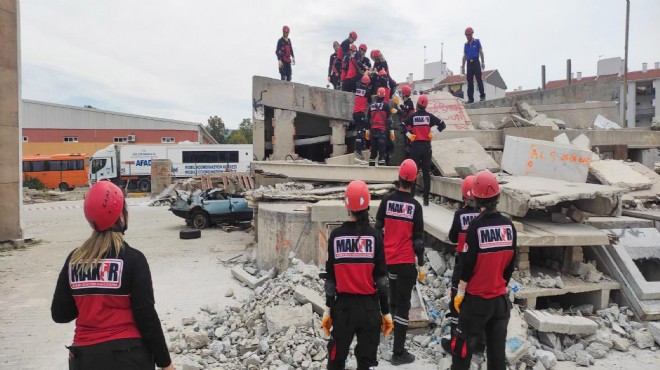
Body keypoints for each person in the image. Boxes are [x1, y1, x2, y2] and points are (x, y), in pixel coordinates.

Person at [51, 180, 174, 370]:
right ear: (121, 217)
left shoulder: (74, 260)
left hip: (84, 358)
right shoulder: (134, 259)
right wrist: (165, 364)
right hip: (129, 356)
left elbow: (60, 314)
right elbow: (146, 316)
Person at [446, 170, 516, 370]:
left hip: (476, 302)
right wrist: (498, 284)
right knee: (496, 359)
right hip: (499, 303)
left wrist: (460, 293)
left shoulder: (475, 227)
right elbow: (510, 265)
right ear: (498, 197)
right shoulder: (509, 226)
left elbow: (467, 265)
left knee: (461, 354)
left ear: (476, 199)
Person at [322, 180, 393, 370]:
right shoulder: (375, 236)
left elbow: (330, 280)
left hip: (344, 309)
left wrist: (328, 310)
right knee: (367, 362)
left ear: (347, 206)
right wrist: (385, 312)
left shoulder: (336, 236)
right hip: (370, 309)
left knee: (336, 359)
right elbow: (382, 281)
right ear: (367, 205)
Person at [375, 159, 425, 365]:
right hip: (405, 262)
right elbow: (419, 242)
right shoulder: (415, 206)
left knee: (390, 301)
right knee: (403, 305)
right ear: (414, 181)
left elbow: (377, 228)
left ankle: (384, 340)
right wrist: (421, 264)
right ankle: (398, 352)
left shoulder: (387, 201)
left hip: (387, 261)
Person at [444, 176, 480, 342]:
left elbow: (452, 237)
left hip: (462, 262)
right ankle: (477, 340)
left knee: (456, 298)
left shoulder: (459, 214)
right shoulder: (481, 216)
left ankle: (455, 340)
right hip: (478, 264)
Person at [402, 95, 446, 206]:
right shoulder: (429, 117)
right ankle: (426, 200)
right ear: (425, 106)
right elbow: (442, 125)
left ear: (417, 105)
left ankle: (411, 197)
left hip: (416, 146)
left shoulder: (413, 116)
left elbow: (402, 125)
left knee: (414, 172)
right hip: (426, 147)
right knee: (426, 174)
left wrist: (409, 136)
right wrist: (432, 134)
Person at [365, 87, 393, 167]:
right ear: (384, 96)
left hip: (373, 131)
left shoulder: (371, 106)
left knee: (373, 152)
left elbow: (368, 120)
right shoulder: (386, 106)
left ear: (377, 95)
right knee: (382, 153)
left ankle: (371, 171)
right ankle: (381, 172)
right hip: (382, 132)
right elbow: (389, 120)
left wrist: (367, 131)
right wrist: (392, 131)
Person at [461, 27, 485, 103]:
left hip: (476, 63)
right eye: (466, 35)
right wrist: (463, 66)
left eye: (468, 35)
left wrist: (483, 62)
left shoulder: (477, 42)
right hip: (469, 64)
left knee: (479, 80)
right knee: (469, 83)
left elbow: (481, 52)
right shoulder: (466, 45)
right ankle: (470, 99)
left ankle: (482, 96)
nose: (467, 36)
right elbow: (464, 56)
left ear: (471, 34)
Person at [353, 74, 372, 157]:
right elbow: (370, 100)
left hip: (355, 113)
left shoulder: (358, 89)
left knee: (361, 130)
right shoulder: (367, 92)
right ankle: (358, 149)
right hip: (360, 113)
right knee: (361, 131)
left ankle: (362, 147)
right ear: (367, 83)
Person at [397, 85, 415, 159]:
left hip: (409, 129)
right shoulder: (407, 102)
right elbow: (405, 109)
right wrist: (400, 105)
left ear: (405, 94)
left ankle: (410, 161)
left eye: (402, 93)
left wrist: (397, 110)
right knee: (407, 145)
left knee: (409, 146)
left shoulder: (409, 103)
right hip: (407, 128)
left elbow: (404, 114)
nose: (401, 95)